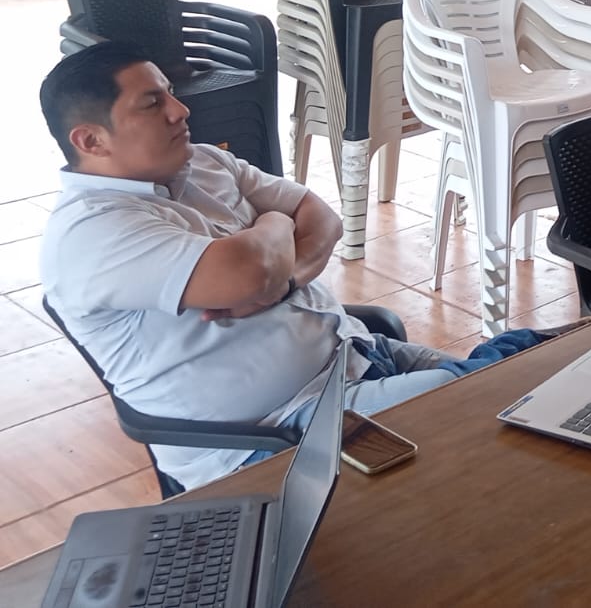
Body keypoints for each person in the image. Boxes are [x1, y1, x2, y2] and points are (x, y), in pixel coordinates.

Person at [38, 42, 554, 493]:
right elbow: (248, 272)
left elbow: (321, 217)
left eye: (171, 93)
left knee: (522, 384)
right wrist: (273, 224)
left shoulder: (203, 163)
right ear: (91, 140)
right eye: (153, 103)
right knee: (514, 394)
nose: (180, 109)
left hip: (354, 353)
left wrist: (283, 279)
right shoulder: (91, 232)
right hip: (278, 435)